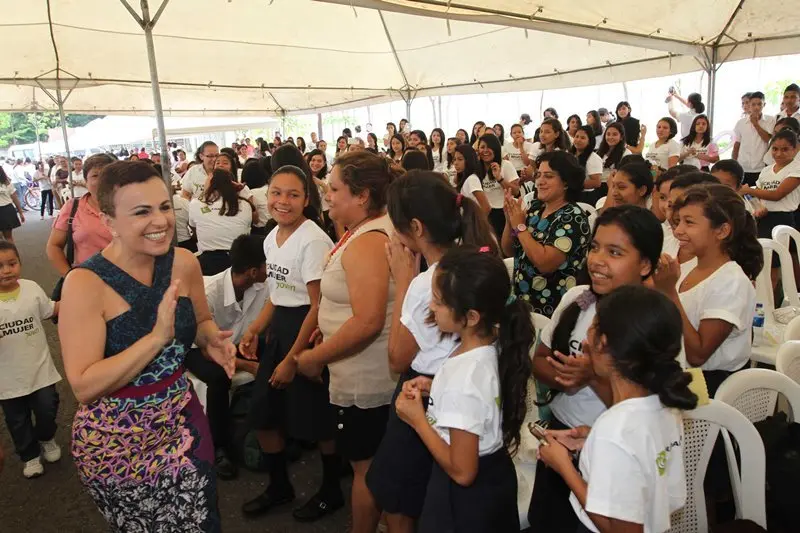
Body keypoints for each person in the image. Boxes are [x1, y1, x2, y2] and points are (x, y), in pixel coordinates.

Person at [59, 160, 237, 532]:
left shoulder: (184, 262)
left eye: (165, 206)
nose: (160, 221)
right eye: (142, 212)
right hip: (116, 443)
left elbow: (201, 321)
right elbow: (84, 385)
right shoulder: (85, 284)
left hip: (182, 422)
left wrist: (211, 340)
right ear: (108, 221)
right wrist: (156, 338)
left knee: (202, 519)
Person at [367, 172, 497, 532]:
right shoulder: (473, 260)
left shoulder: (429, 282)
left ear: (416, 228)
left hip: (426, 393)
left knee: (400, 499)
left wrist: (404, 281)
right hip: (456, 391)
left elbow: (397, 358)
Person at [528, 204, 663, 531]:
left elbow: (647, 413)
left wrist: (591, 378)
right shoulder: (579, 299)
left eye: (615, 252)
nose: (597, 260)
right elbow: (539, 360)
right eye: (595, 247)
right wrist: (567, 377)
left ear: (645, 264)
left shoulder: (654, 325)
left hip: (615, 453)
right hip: (564, 436)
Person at [294, 150, 402, 533]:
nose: (328, 194)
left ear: (362, 195)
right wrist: (329, 323)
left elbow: (368, 321)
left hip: (365, 377)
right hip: (363, 370)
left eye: (335, 188)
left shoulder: (368, 241)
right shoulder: (362, 230)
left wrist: (316, 357)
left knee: (368, 470)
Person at [391, 247, 530, 533]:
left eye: (439, 301)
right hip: (492, 479)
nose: (431, 306)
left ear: (472, 316)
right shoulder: (490, 343)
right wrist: (436, 388)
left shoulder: (465, 378)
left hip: (466, 500)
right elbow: (480, 399)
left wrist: (417, 420)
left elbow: (463, 471)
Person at [538, 285, 697, 533]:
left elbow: (619, 528)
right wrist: (591, 441)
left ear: (603, 343)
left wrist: (564, 467)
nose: (585, 338)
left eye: (593, 325)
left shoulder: (614, 428)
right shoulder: (666, 407)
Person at [237, 165, 340, 522]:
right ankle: (280, 486)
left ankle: (331, 491)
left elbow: (317, 306)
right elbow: (276, 293)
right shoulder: (271, 237)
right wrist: (254, 329)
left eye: (293, 195)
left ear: (306, 199)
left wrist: (294, 359)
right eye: (276, 193)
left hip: (307, 333)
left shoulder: (312, 240)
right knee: (264, 414)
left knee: (319, 420)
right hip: (281, 328)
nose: (283, 201)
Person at [653, 183, 763, 393]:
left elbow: (698, 355)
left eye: (689, 222)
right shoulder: (690, 268)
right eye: (679, 221)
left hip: (708, 387)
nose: (678, 231)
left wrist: (669, 293)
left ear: (722, 231)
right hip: (679, 372)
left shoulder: (731, 282)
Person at [183, 234, 268, 480]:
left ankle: (271, 429)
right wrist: (248, 366)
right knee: (219, 377)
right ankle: (219, 447)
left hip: (237, 343)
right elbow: (206, 347)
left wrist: (254, 343)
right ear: (253, 271)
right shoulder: (210, 292)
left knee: (278, 352)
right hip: (197, 349)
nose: (271, 269)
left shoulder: (262, 285)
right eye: (268, 264)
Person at [502, 151, 591, 317]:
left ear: (566, 182)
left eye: (548, 176)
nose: (540, 182)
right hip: (522, 303)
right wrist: (510, 220)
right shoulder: (536, 208)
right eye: (538, 175)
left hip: (551, 308)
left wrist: (520, 226)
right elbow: (509, 250)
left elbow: (545, 264)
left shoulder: (573, 217)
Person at [0, 241, 61, 478]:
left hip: (40, 370)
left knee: (48, 408)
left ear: (20, 263)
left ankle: (46, 438)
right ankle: (29, 455)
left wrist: (78, 299)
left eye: (12, 263)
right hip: (7, 379)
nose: (6, 270)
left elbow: (51, 309)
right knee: (17, 420)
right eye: (0, 266)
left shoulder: (31, 288)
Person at [740, 129, 800, 287]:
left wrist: (749, 190)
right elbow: (758, 197)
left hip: (783, 219)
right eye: (775, 149)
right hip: (763, 218)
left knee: (775, 265)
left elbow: (777, 194)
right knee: (762, 262)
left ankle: (774, 297)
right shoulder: (766, 170)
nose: (779, 153)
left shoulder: (796, 169)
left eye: (785, 149)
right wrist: (757, 207)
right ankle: (761, 297)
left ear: (795, 149)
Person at [47, 154, 115, 274]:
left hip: (130, 278)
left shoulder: (130, 206)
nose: (102, 180)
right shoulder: (72, 207)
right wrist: (70, 276)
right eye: (95, 175)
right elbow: (53, 246)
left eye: (107, 175)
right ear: (86, 181)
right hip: (86, 278)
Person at [189, 170, 253, 276]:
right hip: (240, 263)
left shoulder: (196, 204)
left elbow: (194, 229)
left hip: (209, 263)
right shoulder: (245, 205)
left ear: (210, 183)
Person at [477, 133, 520, 237]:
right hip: (484, 213)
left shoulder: (506, 165)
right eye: (482, 147)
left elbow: (516, 191)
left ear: (496, 149)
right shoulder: (476, 168)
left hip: (503, 213)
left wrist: (499, 178)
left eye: (489, 147)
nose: (485, 150)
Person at [733, 91, 776, 186]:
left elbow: (768, 140)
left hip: (761, 166)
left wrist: (755, 124)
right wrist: (733, 164)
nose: (756, 107)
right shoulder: (741, 123)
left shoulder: (770, 120)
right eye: (753, 104)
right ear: (749, 105)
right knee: (741, 192)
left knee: (759, 193)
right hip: (743, 166)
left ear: (764, 104)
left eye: (759, 104)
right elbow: (737, 145)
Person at [596, 122, 632, 200]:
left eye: (614, 134)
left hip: (611, 187)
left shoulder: (626, 153)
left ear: (621, 137)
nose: (610, 137)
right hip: (596, 184)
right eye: (608, 134)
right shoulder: (599, 151)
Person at [570, 125, 603, 205]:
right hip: (570, 193)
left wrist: (573, 184)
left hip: (585, 197)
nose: (578, 140)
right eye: (577, 136)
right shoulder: (570, 154)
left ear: (589, 141)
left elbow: (596, 182)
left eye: (582, 138)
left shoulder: (593, 158)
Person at [454, 144, 491, 215]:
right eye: (454, 159)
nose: (455, 163)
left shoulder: (472, 179)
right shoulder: (466, 178)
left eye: (460, 159)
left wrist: (477, 221)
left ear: (469, 160)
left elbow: (486, 208)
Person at [242, 159, 271, 236]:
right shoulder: (270, 188)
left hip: (260, 231)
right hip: (274, 227)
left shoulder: (251, 193)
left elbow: (254, 220)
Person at [0, 167, 24, 243]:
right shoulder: (7, 183)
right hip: (7, 210)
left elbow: (15, 198)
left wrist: (20, 212)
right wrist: (20, 213)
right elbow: (15, 198)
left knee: (8, 237)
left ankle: (11, 251)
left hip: (6, 210)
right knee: (7, 237)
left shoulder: (7, 183)